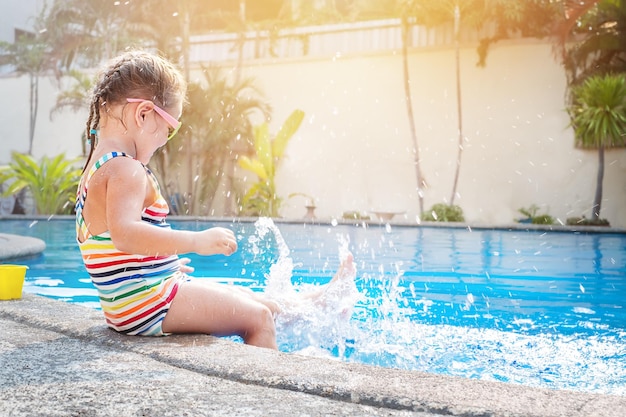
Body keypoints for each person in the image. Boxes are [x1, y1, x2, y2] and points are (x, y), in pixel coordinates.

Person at [75, 49, 356, 350]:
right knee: (259, 319)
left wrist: (155, 262)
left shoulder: (96, 166)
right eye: (169, 129)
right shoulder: (126, 169)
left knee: (251, 299)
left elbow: (103, 246)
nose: (165, 141)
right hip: (148, 305)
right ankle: (267, 396)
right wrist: (196, 242)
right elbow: (125, 234)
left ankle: (320, 301)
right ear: (143, 114)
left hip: (134, 303)